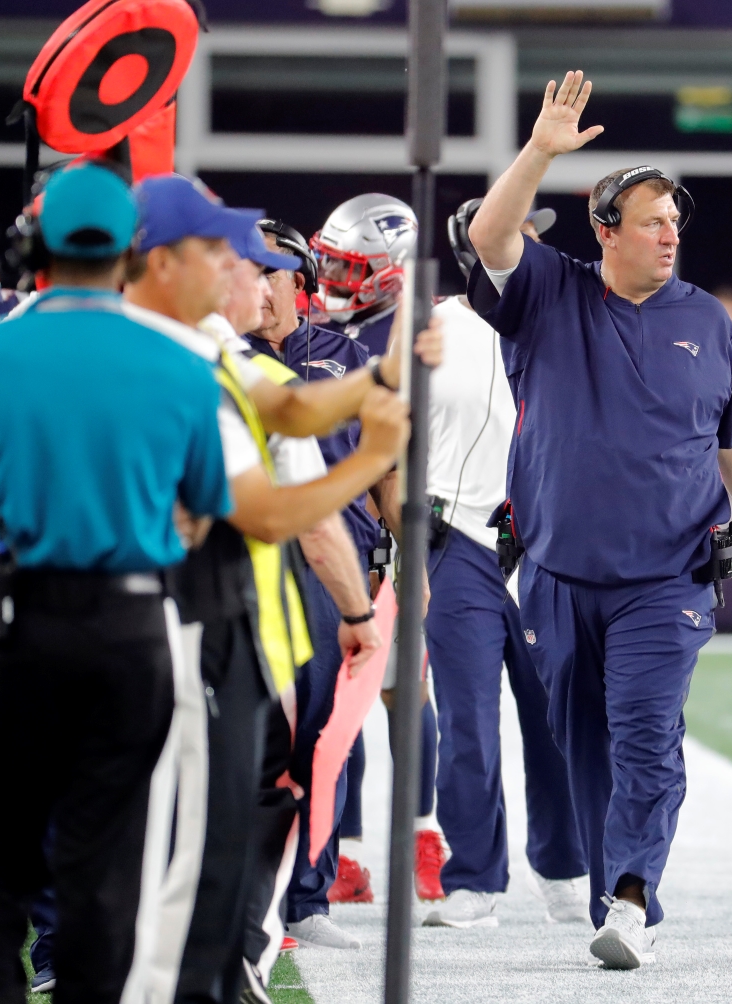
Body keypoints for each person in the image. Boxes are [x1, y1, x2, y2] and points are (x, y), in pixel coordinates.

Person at [466, 71, 732, 969]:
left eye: (676, 222)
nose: (670, 233)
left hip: (667, 577)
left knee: (648, 732)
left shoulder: (709, 320)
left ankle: (636, 896)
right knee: (583, 749)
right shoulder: (547, 295)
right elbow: (492, 235)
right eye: (652, 220)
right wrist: (539, 151)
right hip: (560, 573)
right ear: (606, 231)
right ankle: (616, 893)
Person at [0, 161, 231, 1002]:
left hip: (13, 622)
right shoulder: (183, 363)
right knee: (105, 870)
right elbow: (200, 515)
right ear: (133, 251)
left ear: (31, 246)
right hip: (133, 631)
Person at [120, 174, 425, 1004]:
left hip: (86, 609)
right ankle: (216, 961)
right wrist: (372, 460)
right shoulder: (204, 361)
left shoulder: (171, 347)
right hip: (204, 614)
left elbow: (294, 415)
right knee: (238, 791)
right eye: (239, 261)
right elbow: (281, 505)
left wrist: (379, 381)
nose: (256, 279)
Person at [417, 199, 589, 930]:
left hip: (546, 543)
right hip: (456, 538)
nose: (531, 245)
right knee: (467, 720)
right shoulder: (428, 325)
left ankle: (564, 867)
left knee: (557, 719)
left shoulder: (570, 316)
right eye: (518, 232)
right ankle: (475, 878)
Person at [287, 198, 449, 907]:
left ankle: (422, 832)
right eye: (326, 260)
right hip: (333, 521)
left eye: (347, 267)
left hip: (407, 511)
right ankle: (344, 852)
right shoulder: (305, 328)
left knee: (401, 690)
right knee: (334, 702)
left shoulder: (423, 329)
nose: (327, 276)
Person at [244, 219, 380, 950]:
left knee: (331, 739)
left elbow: (389, 464)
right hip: (256, 564)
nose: (255, 288)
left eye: (267, 272)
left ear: (297, 280)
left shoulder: (345, 355)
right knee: (261, 737)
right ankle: (254, 904)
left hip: (340, 565)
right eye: (244, 271)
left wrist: (406, 569)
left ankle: (308, 895)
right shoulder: (224, 357)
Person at [309, 193, 417, 357]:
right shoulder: (304, 313)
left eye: (351, 266)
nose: (329, 271)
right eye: (330, 257)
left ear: (389, 276)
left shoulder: (411, 334)